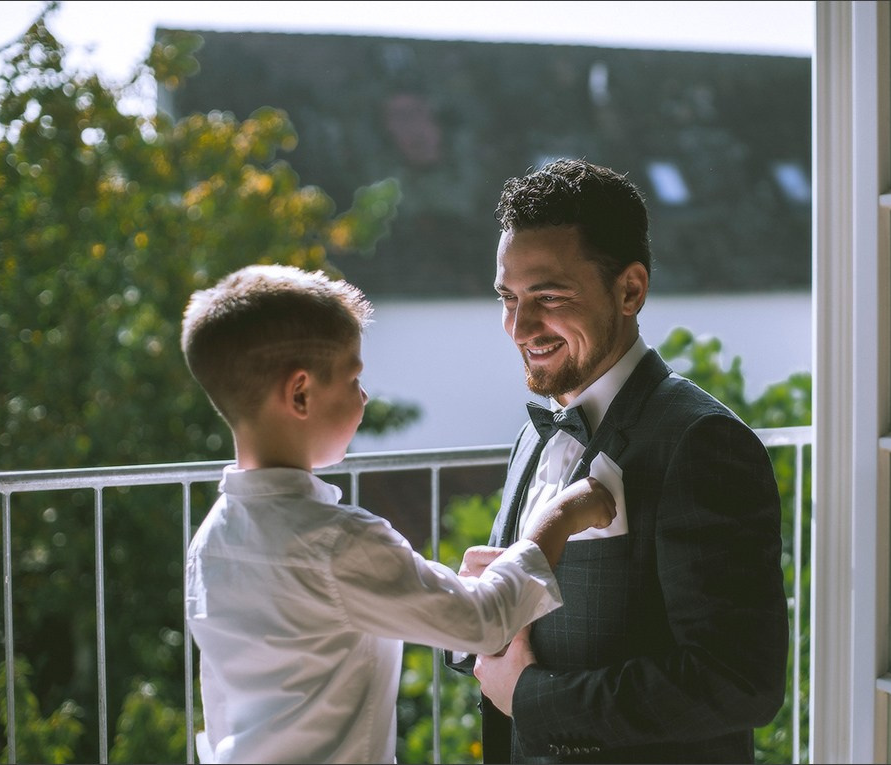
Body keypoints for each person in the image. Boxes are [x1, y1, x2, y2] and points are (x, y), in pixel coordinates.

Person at [179, 263, 615, 764]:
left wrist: (460, 581)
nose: (364, 397)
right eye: (353, 378)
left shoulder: (212, 538)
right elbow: (484, 622)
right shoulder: (339, 544)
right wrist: (560, 516)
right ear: (301, 393)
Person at [451, 159, 789, 764]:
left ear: (630, 290)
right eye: (508, 298)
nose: (520, 327)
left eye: (548, 297)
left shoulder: (704, 443)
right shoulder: (535, 433)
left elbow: (738, 682)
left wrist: (532, 698)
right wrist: (479, 609)